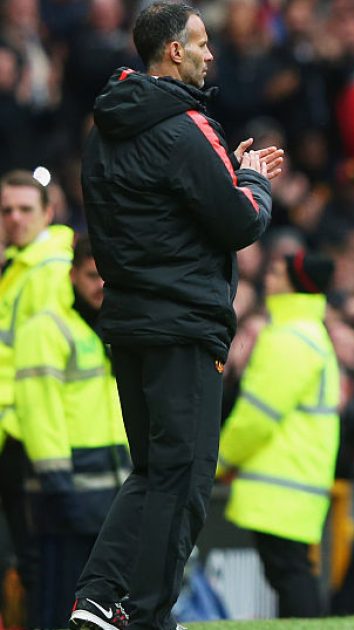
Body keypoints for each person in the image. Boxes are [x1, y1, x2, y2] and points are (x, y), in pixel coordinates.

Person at [72, 3, 281, 629]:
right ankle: (148, 616)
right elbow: (239, 221)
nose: (210, 54)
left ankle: (97, 599)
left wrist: (225, 174)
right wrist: (252, 180)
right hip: (184, 323)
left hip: (129, 320)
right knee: (183, 478)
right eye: (202, 43)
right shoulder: (185, 126)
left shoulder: (103, 130)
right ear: (173, 50)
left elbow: (156, 214)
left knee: (152, 473)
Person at [215, 251, 338, 618]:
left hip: (281, 478)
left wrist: (219, 459)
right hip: (295, 476)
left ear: (294, 282)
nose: (269, 278)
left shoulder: (290, 338)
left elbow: (257, 416)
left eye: (277, 272)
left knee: (289, 571)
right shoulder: (307, 333)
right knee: (290, 570)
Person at [14, 234, 126, 630]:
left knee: (98, 607)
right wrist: (58, 486)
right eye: (92, 276)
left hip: (109, 486)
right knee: (59, 600)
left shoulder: (109, 325)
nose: (101, 286)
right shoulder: (46, 329)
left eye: (107, 277)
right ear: (72, 275)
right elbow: (39, 411)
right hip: (65, 490)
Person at [0, 169, 74, 628]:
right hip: (18, 430)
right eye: (6, 210)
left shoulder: (50, 268)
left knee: (36, 560)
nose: (14, 218)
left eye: (25, 209)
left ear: (48, 213)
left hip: (30, 433)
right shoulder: (20, 267)